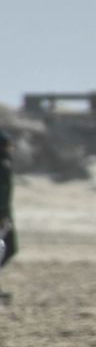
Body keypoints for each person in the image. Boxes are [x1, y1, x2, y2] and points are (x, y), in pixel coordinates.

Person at [0, 130, 16, 303]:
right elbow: (3, 193)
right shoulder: (3, 164)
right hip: (2, 216)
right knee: (6, 248)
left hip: (4, 214)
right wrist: (3, 215)